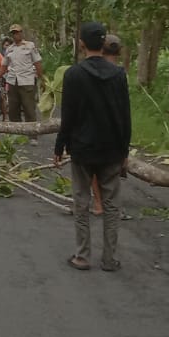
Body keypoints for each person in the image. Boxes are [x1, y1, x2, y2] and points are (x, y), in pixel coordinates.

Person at [54, 22, 132, 271]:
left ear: (82, 44)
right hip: (111, 148)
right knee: (111, 205)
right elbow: (125, 115)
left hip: (83, 148)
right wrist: (125, 152)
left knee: (82, 202)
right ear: (104, 44)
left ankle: (82, 256)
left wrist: (60, 146)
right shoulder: (119, 75)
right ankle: (109, 259)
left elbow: (69, 115)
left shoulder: (74, 74)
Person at [90, 34, 133, 220]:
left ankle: (99, 203)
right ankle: (111, 206)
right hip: (114, 128)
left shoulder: (88, 70)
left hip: (91, 127)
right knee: (111, 169)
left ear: (101, 49)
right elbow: (124, 109)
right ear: (120, 51)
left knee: (92, 166)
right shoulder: (120, 74)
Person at [2, 24, 43, 124]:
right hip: (12, 81)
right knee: (13, 110)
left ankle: (32, 135)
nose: (15, 35)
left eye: (17, 32)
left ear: (21, 33)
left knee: (29, 109)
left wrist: (42, 79)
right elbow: (4, 66)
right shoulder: (9, 49)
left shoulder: (30, 46)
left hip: (27, 81)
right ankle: (16, 135)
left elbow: (37, 63)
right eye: (13, 33)